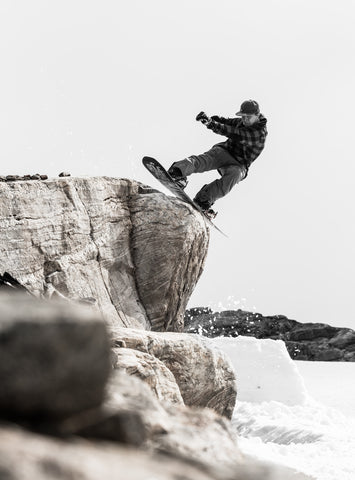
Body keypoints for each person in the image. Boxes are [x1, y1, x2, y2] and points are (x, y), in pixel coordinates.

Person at [168, 99, 268, 218]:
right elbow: (227, 122)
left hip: (239, 164)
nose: (245, 120)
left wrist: (211, 124)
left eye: (248, 117)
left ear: (257, 115)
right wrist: (212, 119)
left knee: (234, 176)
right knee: (205, 161)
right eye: (243, 117)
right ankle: (177, 171)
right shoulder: (243, 122)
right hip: (225, 151)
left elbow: (234, 132)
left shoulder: (258, 134)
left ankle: (203, 200)